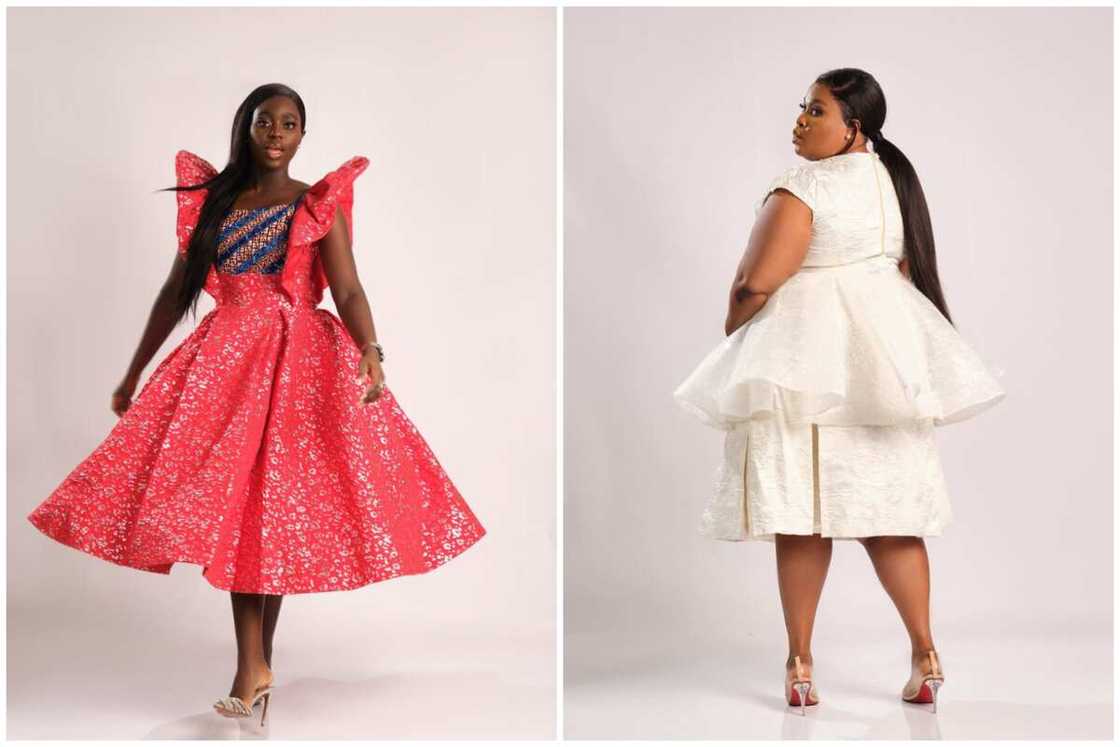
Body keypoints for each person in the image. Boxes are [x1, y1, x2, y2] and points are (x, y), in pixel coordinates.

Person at [26, 83, 486, 725]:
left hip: (299, 366)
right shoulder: (214, 204)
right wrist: (133, 371)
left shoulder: (315, 205)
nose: (276, 131)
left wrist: (371, 350)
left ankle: (253, 670)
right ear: (246, 128)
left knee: (266, 510)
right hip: (227, 364)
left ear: (303, 135)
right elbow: (174, 291)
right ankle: (255, 668)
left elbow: (348, 289)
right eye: (264, 121)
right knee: (242, 507)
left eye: (289, 123)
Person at [673, 68, 1005, 716]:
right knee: (893, 520)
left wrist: (736, 319)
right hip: (883, 367)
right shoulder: (893, 184)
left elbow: (757, 281)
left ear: (855, 126)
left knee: (802, 516)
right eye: (801, 107)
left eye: (816, 110)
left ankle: (799, 663)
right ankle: (926, 652)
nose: (800, 120)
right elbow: (904, 267)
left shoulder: (803, 186)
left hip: (803, 363)